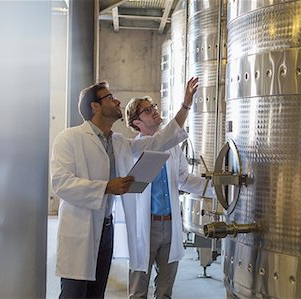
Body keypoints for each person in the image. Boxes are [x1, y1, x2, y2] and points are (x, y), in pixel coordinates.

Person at [50, 77, 199, 299]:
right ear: (95, 106)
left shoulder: (118, 142)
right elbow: (61, 183)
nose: (117, 101)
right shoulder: (69, 138)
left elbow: (159, 141)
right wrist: (106, 187)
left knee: (95, 293)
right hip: (80, 228)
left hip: (105, 228)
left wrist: (185, 105)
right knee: (73, 293)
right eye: (110, 97)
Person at [124, 82, 214, 299]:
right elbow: (158, 143)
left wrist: (218, 190)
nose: (154, 110)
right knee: (138, 292)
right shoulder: (133, 148)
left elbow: (183, 179)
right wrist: (185, 105)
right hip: (145, 227)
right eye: (148, 110)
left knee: (165, 292)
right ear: (137, 122)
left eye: (153, 105)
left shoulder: (171, 146)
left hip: (170, 224)